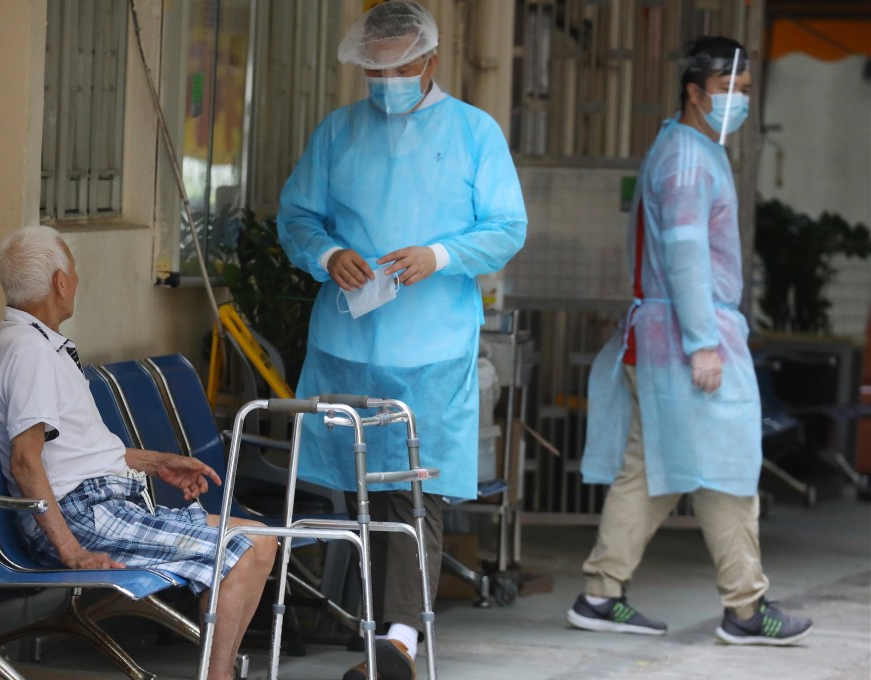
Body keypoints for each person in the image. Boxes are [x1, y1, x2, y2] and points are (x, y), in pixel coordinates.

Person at [277, 2, 527, 678]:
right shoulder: (338, 133)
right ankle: (368, 624)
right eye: (376, 68)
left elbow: (506, 227)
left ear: (431, 61)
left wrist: (440, 256)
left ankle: (399, 640)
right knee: (355, 492)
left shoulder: (475, 134)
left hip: (431, 348)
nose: (388, 78)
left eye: (401, 65)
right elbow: (297, 214)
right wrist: (328, 255)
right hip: (348, 341)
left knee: (415, 491)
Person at [567, 36, 814, 646]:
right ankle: (747, 609)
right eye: (728, 91)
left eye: (746, 91)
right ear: (694, 92)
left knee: (651, 472)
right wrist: (704, 342)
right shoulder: (687, 158)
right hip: (684, 339)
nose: (738, 101)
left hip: (662, 337)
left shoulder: (691, 148)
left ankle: (601, 593)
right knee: (726, 470)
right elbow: (684, 256)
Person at [0, 225, 277, 680]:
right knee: (238, 553)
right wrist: (71, 551)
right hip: (83, 515)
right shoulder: (30, 352)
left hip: (102, 505)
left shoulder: (40, 343)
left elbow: (78, 451)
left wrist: (158, 462)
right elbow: (26, 459)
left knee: (261, 539)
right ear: (61, 281)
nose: (76, 282)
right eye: (74, 273)